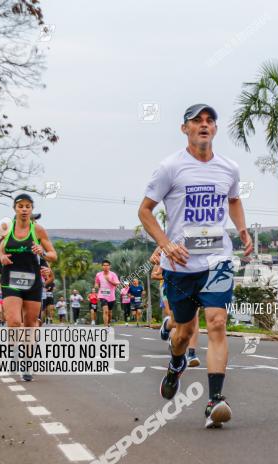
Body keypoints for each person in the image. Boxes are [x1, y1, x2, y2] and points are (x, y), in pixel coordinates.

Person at [138, 102, 252, 428]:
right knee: (183, 331)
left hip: (217, 260)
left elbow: (233, 199)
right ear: (184, 128)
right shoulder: (170, 167)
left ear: (215, 129)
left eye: (209, 121)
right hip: (180, 266)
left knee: (216, 322)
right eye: (196, 121)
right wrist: (166, 245)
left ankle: (215, 400)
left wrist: (242, 229)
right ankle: (176, 365)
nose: (204, 125)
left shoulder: (228, 168)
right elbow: (145, 211)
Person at [0, 193, 57, 382]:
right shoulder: (5, 227)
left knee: (30, 324)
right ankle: (12, 350)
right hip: (11, 278)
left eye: (28, 206)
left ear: (32, 209)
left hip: (33, 281)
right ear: (15, 209)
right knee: (14, 321)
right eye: (21, 206)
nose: (24, 209)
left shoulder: (39, 230)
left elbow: (53, 255)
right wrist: (1, 256)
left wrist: (42, 252)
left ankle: (26, 362)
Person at [95, 260, 119, 327]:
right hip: (102, 295)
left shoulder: (113, 274)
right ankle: (105, 327)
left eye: (107, 265)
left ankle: (108, 323)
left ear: (110, 266)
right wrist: (96, 285)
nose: (105, 267)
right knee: (105, 311)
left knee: (109, 313)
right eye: (104, 265)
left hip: (111, 297)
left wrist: (109, 280)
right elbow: (96, 282)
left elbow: (117, 284)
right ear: (102, 266)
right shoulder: (98, 274)